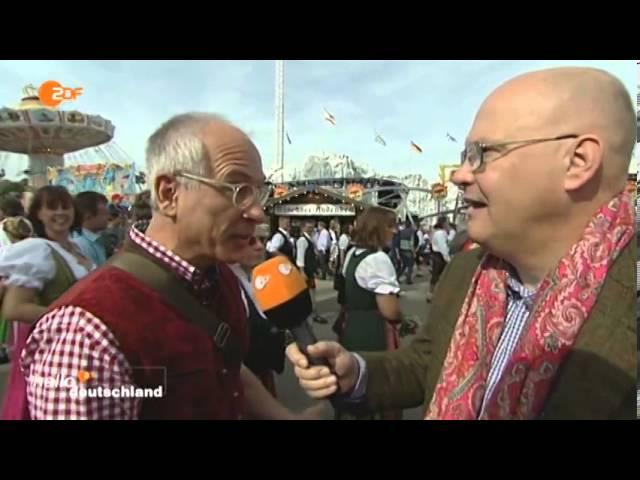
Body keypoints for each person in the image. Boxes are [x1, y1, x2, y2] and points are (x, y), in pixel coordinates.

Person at [286, 67, 636, 420]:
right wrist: (358, 373)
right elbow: (427, 362)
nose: (459, 175)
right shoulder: (466, 271)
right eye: (464, 157)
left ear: (578, 162)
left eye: (482, 153)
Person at [14, 113, 323, 420]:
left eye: (258, 191)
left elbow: (226, 370)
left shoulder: (220, 279)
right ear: (168, 194)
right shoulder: (86, 335)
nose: (257, 212)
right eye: (236, 189)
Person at [0, 186, 94, 419]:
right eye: (52, 208)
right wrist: (72, 319)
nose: (60, 213)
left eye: (65, 206)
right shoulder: (38, 250)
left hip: (78, 348)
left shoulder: (75, 248)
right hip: (51, 351)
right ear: (38, 214)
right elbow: (14, 308)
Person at [338, 206, 402, 420]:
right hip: (374, 333)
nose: (395, 231)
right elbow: (389, 310)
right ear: (377, 228)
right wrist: (404, 319)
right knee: (384, 389)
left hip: (352, 328)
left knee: (357, 386)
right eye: (390, 226)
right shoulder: (378, 260)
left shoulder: (351, 255)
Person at [229, 224, 286, 397]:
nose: (260, 246)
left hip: (264, 378)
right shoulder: (225, 284)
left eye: (263, 240)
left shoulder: (263, 276)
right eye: (251, 241)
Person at [296, 220, 324, 324]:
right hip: (305, 271)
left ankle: (313, 314)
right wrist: (302, 272)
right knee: (308, 293)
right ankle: (310, 315)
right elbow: (300, 257)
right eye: (308, 228)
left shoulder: (310, 239)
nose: (310, 230)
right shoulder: (302, 240)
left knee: (312, 292)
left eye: (312, 228)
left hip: (310, 271)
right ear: (303, 228)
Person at [73, 191, 110, 267]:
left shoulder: (96, 239)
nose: (108, 218)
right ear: (88, 216)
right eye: (104, 214)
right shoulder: (82, 244)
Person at [426, 215, 450, 302]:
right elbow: (442, 247)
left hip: (438, 255)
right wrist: (447, 258)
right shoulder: (440, 233)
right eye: (447, 222)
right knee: (437, 275)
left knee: (437, 275)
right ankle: (431, 294)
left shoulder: (440, 232)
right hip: (439, 256)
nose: (448, 224)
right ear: (443, 223)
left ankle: (432, 293)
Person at [397, 219, 417, 285]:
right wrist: (414, 252)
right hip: (408, 250)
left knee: (404, 265)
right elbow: (411, 243)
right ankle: (408, 279)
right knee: (410, 265)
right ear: (411, 225)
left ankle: (397, 277)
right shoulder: (412, 232)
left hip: (401, 250)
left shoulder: (401, 232)